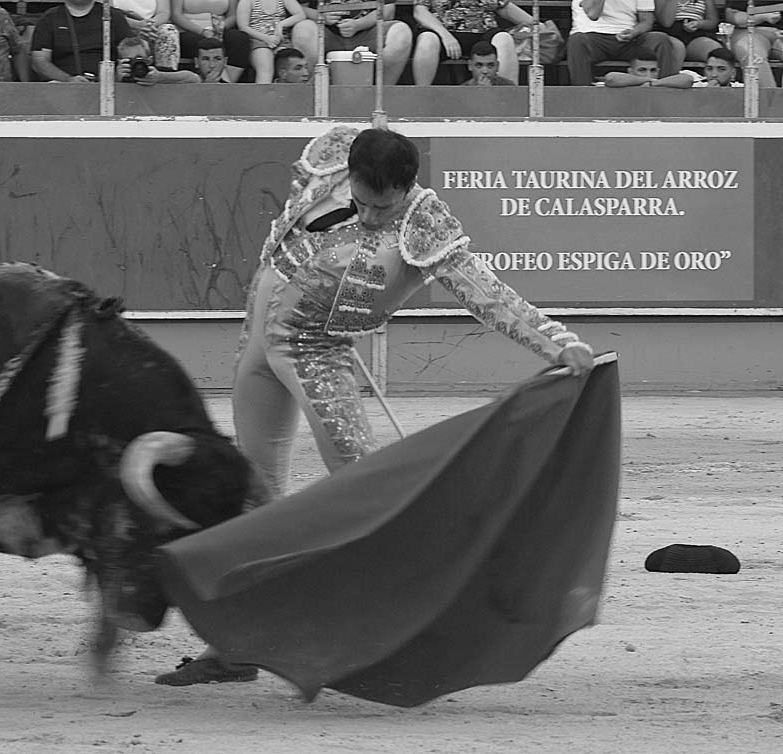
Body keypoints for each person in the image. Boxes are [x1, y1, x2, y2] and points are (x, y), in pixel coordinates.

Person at [155, 126, 594, 687]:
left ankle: (402, 632)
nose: (367, 215)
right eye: (360, 200)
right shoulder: (333, 158)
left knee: (369, 500)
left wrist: (556, 342)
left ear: (406, 188)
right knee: (254, 495)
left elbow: (487, 294)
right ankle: (234, 647)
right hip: (258, 345)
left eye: (381, 208)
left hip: (317, 355)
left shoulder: (423, 223)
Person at [412, 0, 538, 86]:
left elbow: (503, 6)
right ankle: (421, 95)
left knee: (504, 38)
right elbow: (420, 11)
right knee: (427, 39)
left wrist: (537, 25)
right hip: (443, 33)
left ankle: (507, 96)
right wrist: (445, 35)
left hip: (483, 32)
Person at [565, 0, 682, 85]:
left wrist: (633, 32)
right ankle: (582, 94)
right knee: (576, 40)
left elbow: (647, 21)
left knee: (660, 39)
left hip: (629, 40)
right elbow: (593, 14)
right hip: (592, 38)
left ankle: (664, 90)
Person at [297, 0, 411, 86]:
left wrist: (359, 24)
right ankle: (310, 91)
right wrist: (320, 16)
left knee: (401, 32)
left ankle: (383, 94)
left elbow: (388, 9)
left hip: (368, 32)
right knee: (302, 29)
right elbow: (298, 7)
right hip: (325, 33)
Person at [31, 0, 132, 82]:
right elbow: (39, 61)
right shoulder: (49, 19)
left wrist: (118, 75)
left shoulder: (114, 16)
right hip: (62, 88)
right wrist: (68, 80)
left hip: (110, 87)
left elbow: (130, 52)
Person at [171, 0, 252, 82]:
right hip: (190, 30)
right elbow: (176, 16)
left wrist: (220, 29)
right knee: (204, 43)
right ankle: (213, 81)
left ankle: (228, 82)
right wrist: (203, 32)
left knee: (239, 38)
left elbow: (232, 15)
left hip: (220, 28)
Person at [238, 0, 313, 82]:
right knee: (265, 66)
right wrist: (266, 38)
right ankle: (263, 89)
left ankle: (293, 89)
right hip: (258, 41)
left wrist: (281, 24)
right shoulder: (247, 1)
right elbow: (243, 27)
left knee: (290, 63)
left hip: (281, 40)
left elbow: (300, 14)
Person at [725, 0, 782, 88]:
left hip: (780, 33)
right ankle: (766, 96)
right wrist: (762, 16)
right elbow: (732, 16)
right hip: (749, 31)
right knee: (753, 57)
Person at [115, 0, 181, 70]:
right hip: (122, 24)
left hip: (151, 26)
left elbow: (163, 13)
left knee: (168, 31)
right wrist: (138, 25)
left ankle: (165, 72)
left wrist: (149, 26)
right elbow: (110, 12)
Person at [655, 0, 722, 67]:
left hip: (697, 33)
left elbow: (712, 21)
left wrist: (699, 24)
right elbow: (666, 23)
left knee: (714, 50)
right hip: (671, 33)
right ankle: (673, 74)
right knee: (676, 49)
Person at [598, 44, 696, 85]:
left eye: (653, 70)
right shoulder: (621, 82)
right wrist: (646, 81)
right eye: (642, 70)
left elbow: (688, 79)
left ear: (658, 71)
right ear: (630, 71)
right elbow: (611, 78)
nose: (648, 75)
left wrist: (654, 83)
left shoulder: (661, 83)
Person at [116, 34, 200, 81]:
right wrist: (116, 80)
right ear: (120, 62)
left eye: (139, 58)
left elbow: (194, 78)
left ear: (150, 60)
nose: (135, 64)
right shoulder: (115, 77)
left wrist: (160, 77)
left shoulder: (156, 73)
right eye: (130, 60)